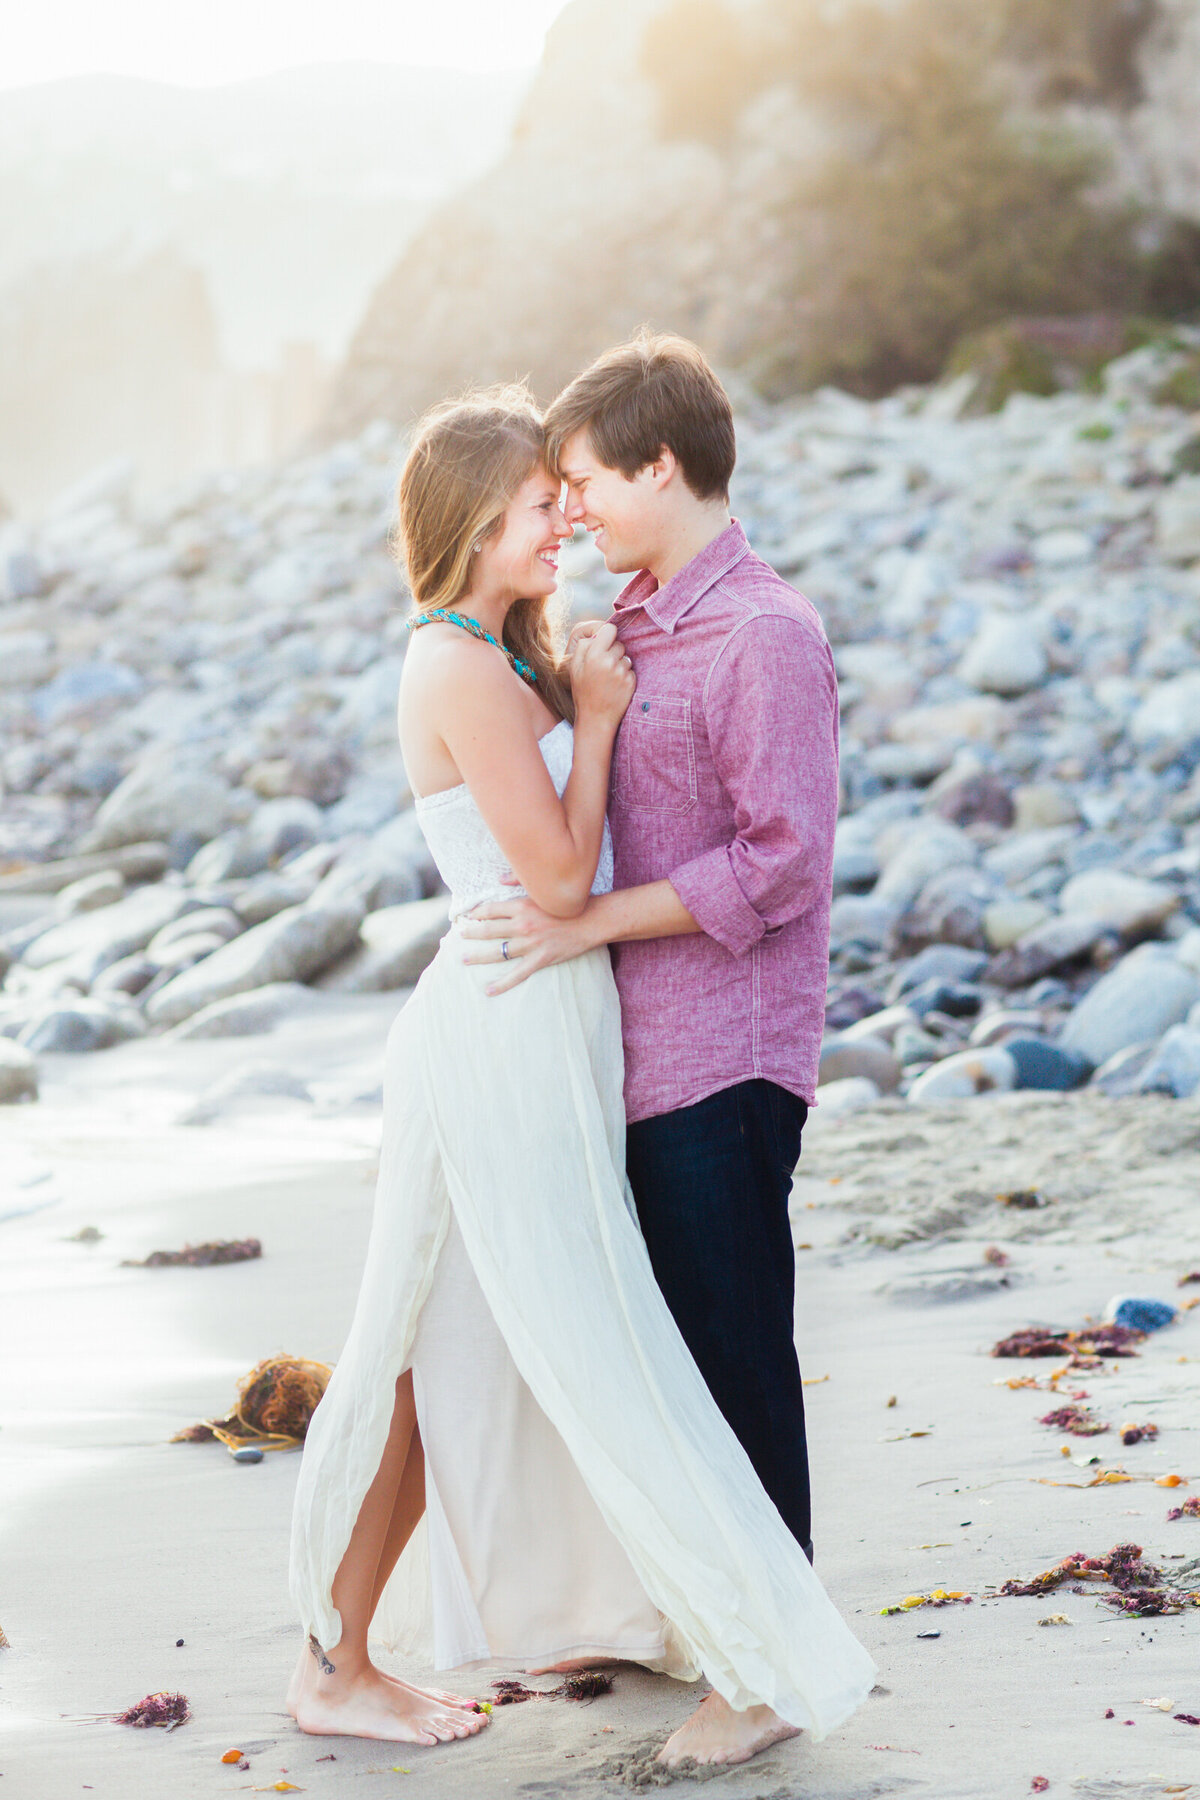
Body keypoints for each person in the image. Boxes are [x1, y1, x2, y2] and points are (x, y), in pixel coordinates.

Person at [287, 384, 874, 1764]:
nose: (562, 524)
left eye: (568, 497)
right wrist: (599, 721)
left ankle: (668, 1627)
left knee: (503, 1352)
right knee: (433, 1352)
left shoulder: (522, 651)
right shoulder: (453, 663)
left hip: (556, 1026)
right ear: (470, 522)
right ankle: (332, 1660)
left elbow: (626, 860)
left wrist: (585, 696)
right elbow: (557, 873)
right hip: (499, 1026)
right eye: (537, 508)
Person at [459, 331, 842, 1764]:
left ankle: (772, 1673)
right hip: (634, 1052)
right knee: (672, 1359)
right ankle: (713, 1624)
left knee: (738, 1360)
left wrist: (586, 925)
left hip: (727, 1057)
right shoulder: (635, 617)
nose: (570, 512)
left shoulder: (763, 634)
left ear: (661, 464)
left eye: (583, 482)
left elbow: (783, 865)